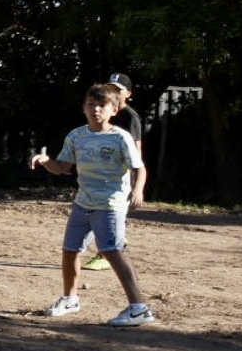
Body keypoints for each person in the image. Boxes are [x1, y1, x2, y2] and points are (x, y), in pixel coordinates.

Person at [30, 83, 156, 327]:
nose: (96, 109)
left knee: (112, 251)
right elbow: (63, 167)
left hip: (110, 204)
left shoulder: (120, 137)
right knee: (70, 250)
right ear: (84, 107)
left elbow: (139, 168)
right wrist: (46, 160)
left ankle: (139, 308)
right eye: (91, 104)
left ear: (114, 110)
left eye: (102, 105)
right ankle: (70, 299)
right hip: (83, 203)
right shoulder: (76, 136)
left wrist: (138, 189)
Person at [80, 72, 144, 271]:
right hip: (102, 176)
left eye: (118, 90)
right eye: (111, 88)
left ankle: (106, 255)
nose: (113, 92)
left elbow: (136, 148)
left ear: (129, 94)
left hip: (120, 176)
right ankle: (114, 245)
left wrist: (135, 182)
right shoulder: (103, 112)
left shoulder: (129, 117)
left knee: (111, 214)